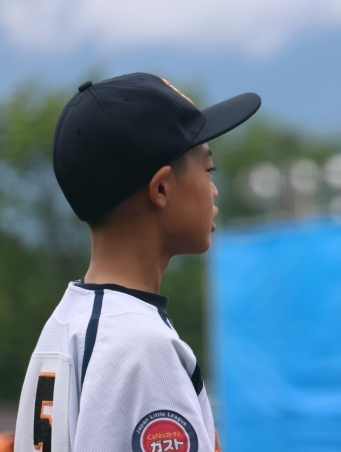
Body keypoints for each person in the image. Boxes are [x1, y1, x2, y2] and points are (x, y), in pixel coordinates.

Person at [13, 73, 261, 452]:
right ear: (161, 188)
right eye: (208, 169)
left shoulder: (65, 321)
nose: (213, 188)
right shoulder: (141, 347)